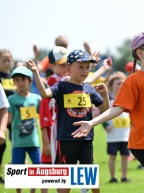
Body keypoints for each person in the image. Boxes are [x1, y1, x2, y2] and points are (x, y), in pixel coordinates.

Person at [71, 29, 144, 193]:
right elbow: (117, 109)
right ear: (140, 53)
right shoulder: (134, 81)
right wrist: (92, 122)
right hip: (142, 143)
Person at [26, 49, 110, 193]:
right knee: (65, 184)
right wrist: (35, 73)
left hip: (86, 140)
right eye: (81, 67)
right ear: (69, 67)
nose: (85, 71)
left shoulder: (89, 88)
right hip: (65, 141)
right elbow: (44, 93)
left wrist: (105, 94)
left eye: (87, 67)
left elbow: (105, 109)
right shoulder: (62, 86)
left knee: (93, 182)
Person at [8, 66, 41, 193]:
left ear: (30, 81)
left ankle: (32, 191)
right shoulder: (11, 100)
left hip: (34, 141)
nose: (20, 83)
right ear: (13, 82)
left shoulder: (36, 99)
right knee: (17, 170)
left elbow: (44, 116)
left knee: (37, 168)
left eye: (23, 79)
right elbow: (8, 119)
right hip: (17, 142)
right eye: (17, 79)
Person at [102, 71, 131, 183]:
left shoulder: (128, 99)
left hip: (125, 135)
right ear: (112, 85)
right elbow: (102, 114)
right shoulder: (108, 100)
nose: (121, 86)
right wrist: (106, 126)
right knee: (112, 157)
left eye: (123, 83)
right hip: (112, 135)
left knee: (125, 156)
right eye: (118, 83)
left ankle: (124, 177)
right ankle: (112, 177)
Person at [0, 48, 14, 184]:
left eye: (9, 59)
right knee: (1, 145)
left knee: (18, 143)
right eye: (4, 60)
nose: (7, 62)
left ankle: (17, 170)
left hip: (15, 117)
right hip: (2, 117)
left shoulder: (14, 77)